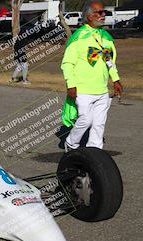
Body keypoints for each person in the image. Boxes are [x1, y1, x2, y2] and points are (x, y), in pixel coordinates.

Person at [61, 0, 123, 151]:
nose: (103, 15)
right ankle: (71, 143)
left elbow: (109, 61)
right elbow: (67, 63)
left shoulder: (106, 37)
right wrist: (71, 84)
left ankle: (95, 151)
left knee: (99, 123)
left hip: (102, 90)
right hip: (83, 90)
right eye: (99, 12)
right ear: (89, 16)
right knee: (86, 121)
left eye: (104, 12)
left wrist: (116, 79)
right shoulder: (79, 37)